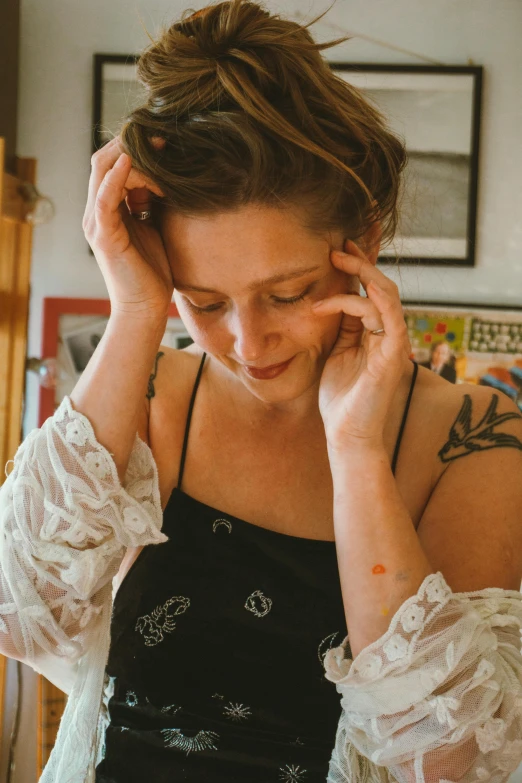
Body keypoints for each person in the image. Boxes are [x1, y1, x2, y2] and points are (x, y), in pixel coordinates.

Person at [2, 2, 522, 781]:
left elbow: (448, 760)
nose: (247, 343)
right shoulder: (156, 398)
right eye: (204, 301)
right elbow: (19, 609)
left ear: (363, 245)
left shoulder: (473, 440)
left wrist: (355, 453)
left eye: (287, 293)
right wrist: (140, 309)